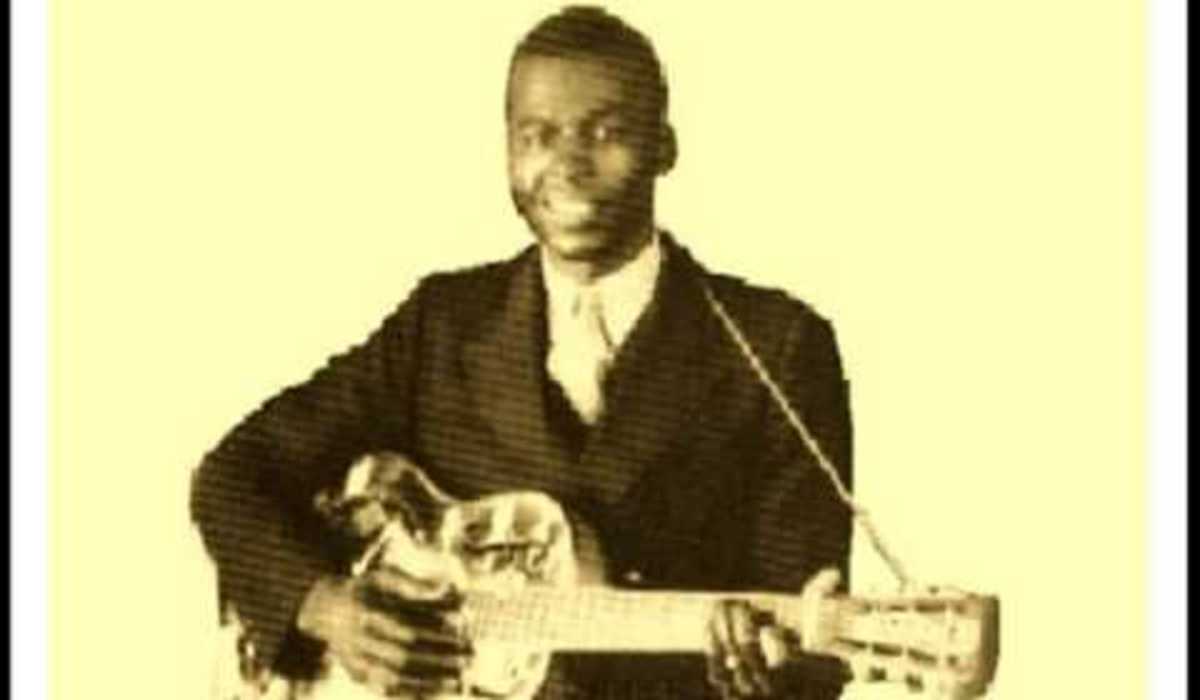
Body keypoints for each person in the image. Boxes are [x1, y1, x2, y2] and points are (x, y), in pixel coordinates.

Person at [191, 6, 854, 699]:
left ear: (665, 146)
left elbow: (812, 657)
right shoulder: (441, 324)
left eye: (606, 132)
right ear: (507, 150)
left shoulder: (777, 347)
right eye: (537, 136)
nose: (567, 166)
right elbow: (230, 477)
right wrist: (326, 608)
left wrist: (761, 675)